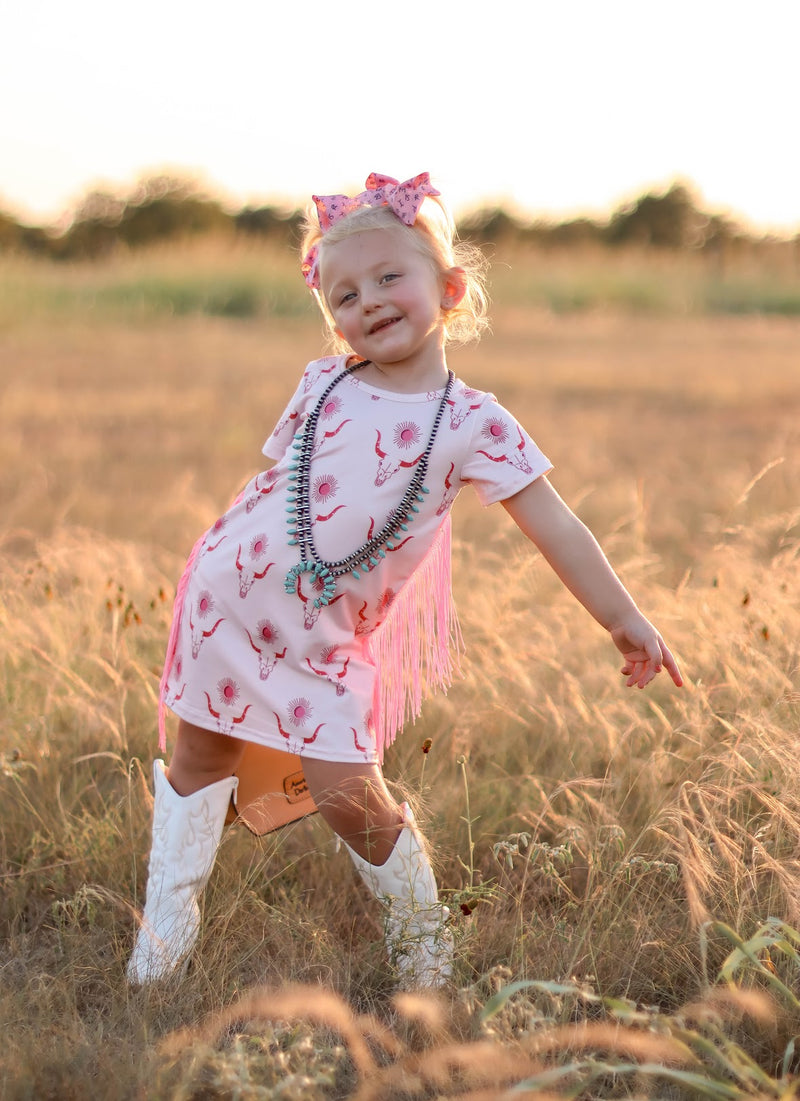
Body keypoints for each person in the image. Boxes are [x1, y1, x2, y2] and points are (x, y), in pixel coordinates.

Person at [127, 172, 682, 989]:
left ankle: (426, 955)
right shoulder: (324, 382)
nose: (370, 301)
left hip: (321, 640)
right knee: (197, 759)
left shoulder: (472, 422)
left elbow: (557, 524)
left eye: (391, 278)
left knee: (346, 789)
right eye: (346, 292)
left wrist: (622, 616)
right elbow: (280, 494)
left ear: (450, 289)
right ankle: (161, 949)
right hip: (225, 606)